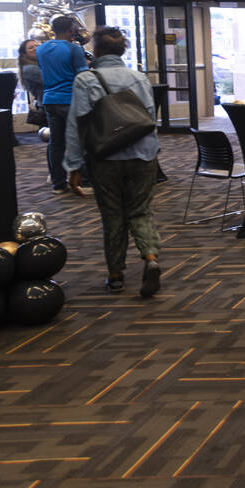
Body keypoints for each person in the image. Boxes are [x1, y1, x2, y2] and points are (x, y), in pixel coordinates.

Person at [63, 27, 163, 295]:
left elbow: (76, 126)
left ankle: (116, 274)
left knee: (113, 215)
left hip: (105, 157)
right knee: (140, 210)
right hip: (143, 155)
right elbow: (149, 118)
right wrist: (153, 150)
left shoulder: (85, 79)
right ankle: (151, 258)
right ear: (122, 50)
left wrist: (73, 166)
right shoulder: (139, 78)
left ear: (96, 51)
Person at [38, 15, 89, 193]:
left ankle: (58, 184)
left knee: (56, 143)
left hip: (50, 100)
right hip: (70, 100)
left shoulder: (41, 49)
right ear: (70, 30)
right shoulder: (74, 49)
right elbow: (83, 75)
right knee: (80, 141)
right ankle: (81, 181)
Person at [17, 39, 44, 123]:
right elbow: (51, 80)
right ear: (24, 53)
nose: (35, 48)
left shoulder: (39, 64)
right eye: (31, 48)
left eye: (37, 46)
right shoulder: (29, 68)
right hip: (45, 105)